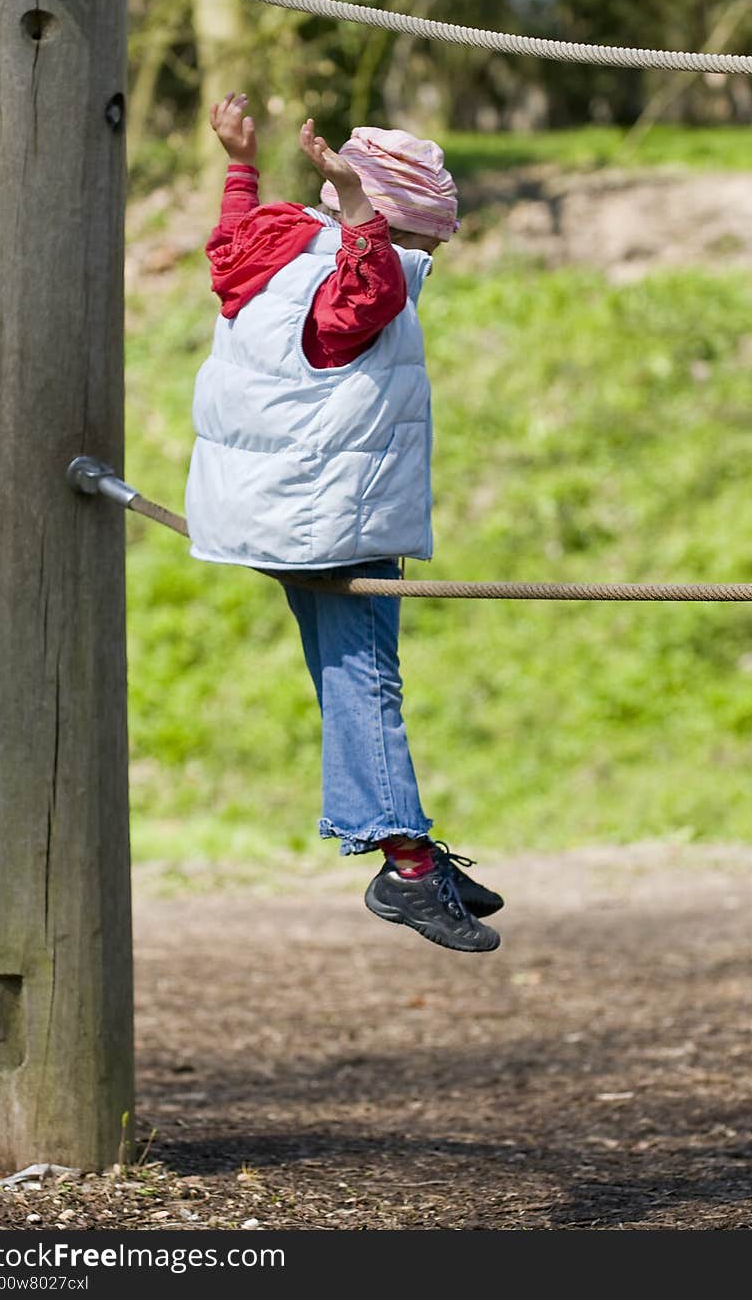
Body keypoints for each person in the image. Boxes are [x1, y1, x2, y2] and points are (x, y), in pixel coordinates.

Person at [185, 91, 504, 953]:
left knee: (346, 687)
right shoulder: (364, 272)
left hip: (271, 516)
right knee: (369, 685)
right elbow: (356, 301)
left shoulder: (283, 252)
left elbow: (229, 248)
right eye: (433, 237)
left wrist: (239, 168)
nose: (438, 252)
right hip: (333, 523)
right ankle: (406, 866)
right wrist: (366, 213)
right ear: (401, 226)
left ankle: (403, 840)